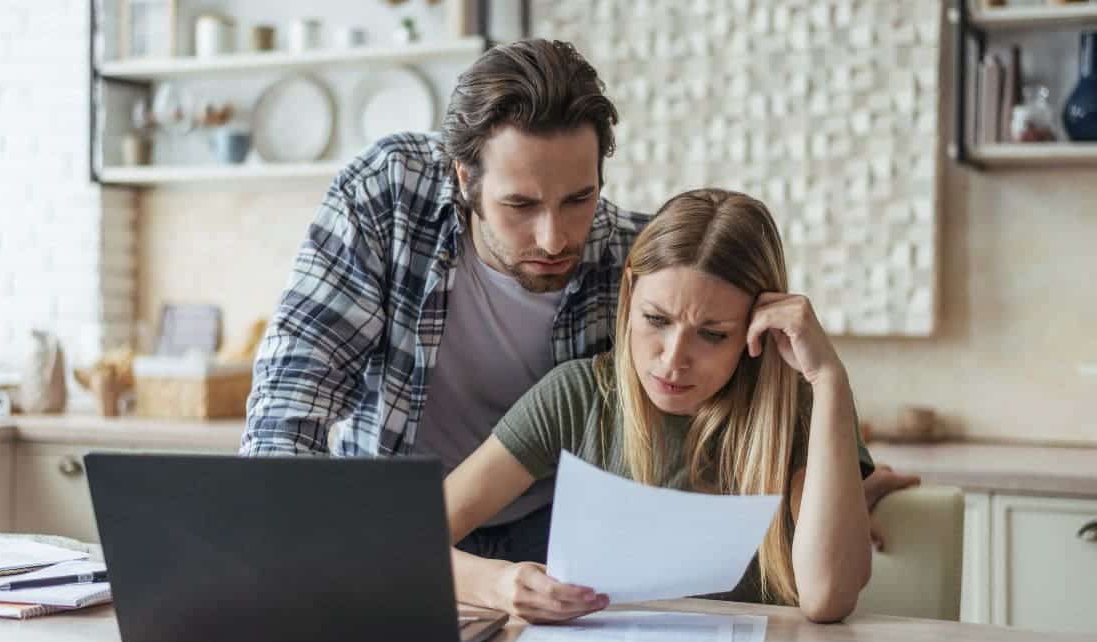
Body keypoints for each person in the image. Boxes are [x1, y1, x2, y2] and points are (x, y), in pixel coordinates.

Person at [240, 39, 916, 564]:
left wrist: (831, 487)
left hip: (556, 534)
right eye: (520, 204)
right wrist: (275, 543)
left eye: (578, 199)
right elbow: (294, 392)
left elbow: (749, 374)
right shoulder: (387, 194)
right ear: (463, 177)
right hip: (399, 523)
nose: (556, 236)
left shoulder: (634, 260)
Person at [446, 189, 875, 624]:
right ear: (630, 291)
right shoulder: (577, 397)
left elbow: (828, 598)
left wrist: (829, 379)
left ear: (758, 328)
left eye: (712, 334)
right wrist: (499, 585)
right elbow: (408, 542)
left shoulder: (801, 410)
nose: (672, 361)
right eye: (656, 320)